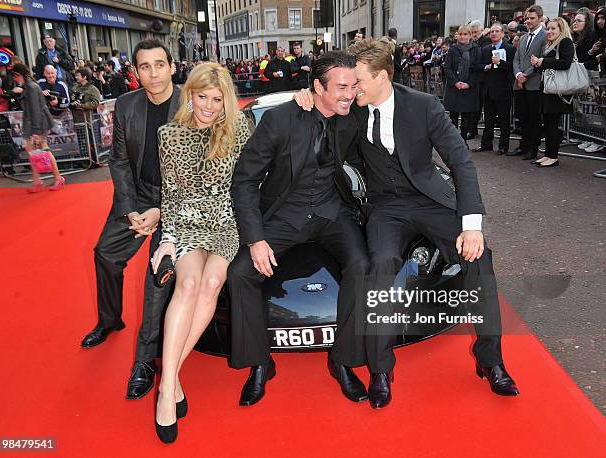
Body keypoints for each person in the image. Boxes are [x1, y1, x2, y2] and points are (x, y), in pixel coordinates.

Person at [295, 39, 519, 408]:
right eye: (348, 85)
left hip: (430, 200)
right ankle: (381, 370)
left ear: (382, 76)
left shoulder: (424, 106)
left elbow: (461, 163)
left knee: (480, 258)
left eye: (359, 82)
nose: (352, 90)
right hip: (387, 208)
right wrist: (305, 98)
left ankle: (490, 359)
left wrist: (472, 224)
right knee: (380, 265)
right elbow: (322, 106)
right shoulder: (352, 108)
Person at [228, 51, 370, 408]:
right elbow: (244, 181)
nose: (349, 94)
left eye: (353, 86)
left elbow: (386, 92)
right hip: (284, 216)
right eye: (341, 87)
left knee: (362, 264)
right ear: (317, 86)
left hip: (330, 213)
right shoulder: (279, 121)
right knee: (241, 273)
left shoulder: (352, 118)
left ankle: (344, 360)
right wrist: (256, 239)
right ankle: (260, 363)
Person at [150, 63, 253, 443]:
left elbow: (254, 175)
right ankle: (168, 388)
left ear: (226, 99)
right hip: (187, 222)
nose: (208, 106)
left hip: (227, 221)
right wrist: (168, 238)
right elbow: (171, 194)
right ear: (189, 94)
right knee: (189, 284)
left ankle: (168, 378)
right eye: (201, 97)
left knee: (211, 282)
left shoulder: (239, 127)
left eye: (216, 98)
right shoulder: (169, 134)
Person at [79, 40, 181, 403]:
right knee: (105, 254)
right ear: (135, 72)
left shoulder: (192, 102)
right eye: (144, 67)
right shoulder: (126, 105)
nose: (153, 73)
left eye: (159, 65)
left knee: (158, 277)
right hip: (137, 197)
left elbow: (198, 170)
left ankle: (144, 361)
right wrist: (129, 209)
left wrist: (162, 211)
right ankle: (109, 320)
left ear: (172, 67)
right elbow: (119, 160)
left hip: (178, 201)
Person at [9, 63, 65, 192]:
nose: (13, 78)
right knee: (32, 151)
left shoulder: (31, 87)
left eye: (14, 75)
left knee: (43, 150)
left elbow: (35, 110)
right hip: (35, 124)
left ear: (19, 75)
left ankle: (56, 178)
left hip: (37, 124)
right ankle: (39, 180)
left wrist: (36, 131)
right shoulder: (28, 87)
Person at [530, 18, 574, 168]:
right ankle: (548, 154)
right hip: (548, 89)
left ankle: (553, 156)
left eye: (553, 29)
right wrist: (537, 64)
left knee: (552, 124)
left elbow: (565, 63)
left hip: (558, 91)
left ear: (561, 30)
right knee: (548, 123)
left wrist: (542, 61)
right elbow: (544, 68)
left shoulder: (565, 42)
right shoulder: (550, 45)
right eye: (548, 29)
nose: (549, 32)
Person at [474, 23, 516, 155]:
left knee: (504, 121)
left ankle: (503, 146)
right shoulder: (485, 49)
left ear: (503, 34)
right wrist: (485, 67)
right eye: (492, 31)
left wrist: (500, 63)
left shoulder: (510, 49)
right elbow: (478, 65)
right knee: (488, 120)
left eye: (497, 31)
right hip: (488, 89)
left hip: (503, 90)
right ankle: (486, 144)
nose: (494, 34)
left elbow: (513, 67)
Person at [511, 4, 547, 161]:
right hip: (520, 83)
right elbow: (517, 59)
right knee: (522, 116)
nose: (529, 21)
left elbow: (541, 59)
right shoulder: (524, 37)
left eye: (532, 18)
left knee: (534, 117)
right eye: (527, 18)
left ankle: (533, 148)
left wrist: (525, 75)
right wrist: (518, 74)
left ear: (540, 19)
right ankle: (523, 145)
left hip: (534, 83)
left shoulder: (545, 36)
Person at [443, 25, 481, 144]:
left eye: (465, 34)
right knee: (453, 116)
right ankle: (454, 141)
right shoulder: (453, 49)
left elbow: (476, 69)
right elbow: (447, 67)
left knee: (466, 117)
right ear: (457, 36)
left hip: (468, 88)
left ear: (470, 35)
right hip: (454, 87)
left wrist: (468, 84)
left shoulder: (476, 49)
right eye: (460, 34)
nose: (463, 37)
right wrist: (455, 82)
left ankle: (463, 140)